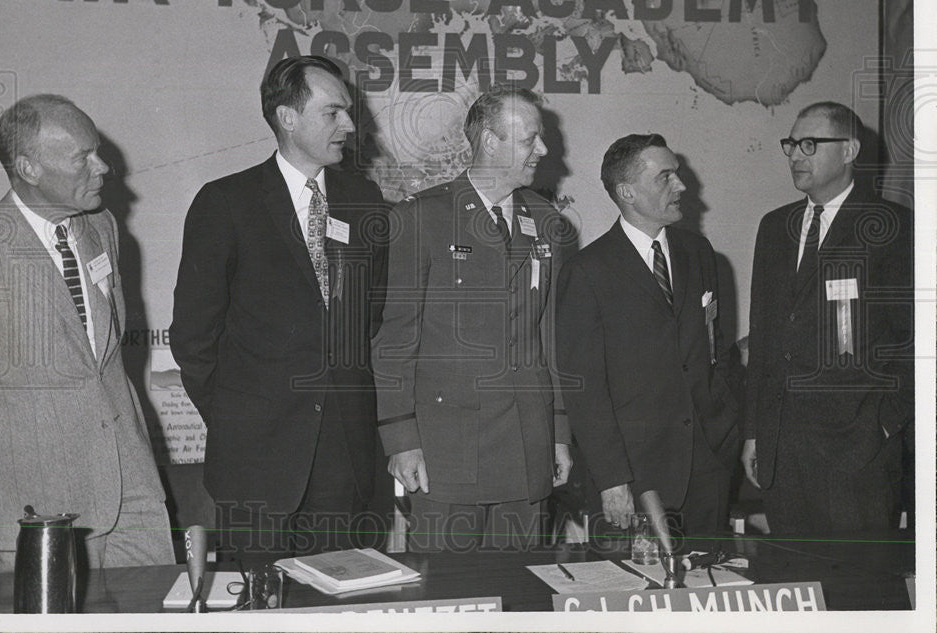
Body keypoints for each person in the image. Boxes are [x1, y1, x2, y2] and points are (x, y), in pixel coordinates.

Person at [170, 55, 388, 564]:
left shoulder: (365, 200)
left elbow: (369, 318)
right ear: (287, 118)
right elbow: (194, 338)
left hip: (344, 460)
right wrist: (237, 419)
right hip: (256, 461)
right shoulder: (226, 202)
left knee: (339, 611)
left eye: (349, 112)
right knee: (260, 607)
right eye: (333, 112)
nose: (350, 126)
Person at [0, 94, 174, 571]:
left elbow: (102, 363)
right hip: (35, 512)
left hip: (132, 493)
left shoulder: (102, 228)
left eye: (97, 151)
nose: (103, 167)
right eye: (83, 157)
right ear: (29, 168)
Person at [371, 85, 572, 551]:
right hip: (448, 451)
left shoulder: (545, 221)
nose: (542, 150)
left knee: (525, 597)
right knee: (448, 595)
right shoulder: (422, 218)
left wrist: (559, 432)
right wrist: (401, 439)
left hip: (527, 444)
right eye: (530, 140)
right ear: (489, 141)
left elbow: (551, 338)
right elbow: (394, 340)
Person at [555, 134, 740, 537]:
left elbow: (715, 349)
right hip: (633, 479)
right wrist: (610, 479)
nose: (682, 186)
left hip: (707, 468)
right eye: (666, 177)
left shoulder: (699, 252)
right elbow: (584, 389)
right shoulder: (587, 272)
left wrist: (725, 430)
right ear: (627, 192)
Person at [742, 102, 913, 535]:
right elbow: (763, 340)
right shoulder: (773, 227)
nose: (796, 155)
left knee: (857, 589)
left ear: (850, 150)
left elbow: (917, 342)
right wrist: (755, 432)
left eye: (810, 144)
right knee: (796, 582)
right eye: (792, 145)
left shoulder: (893, 228)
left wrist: (884, 424)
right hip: (784, 454)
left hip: (859, 456)